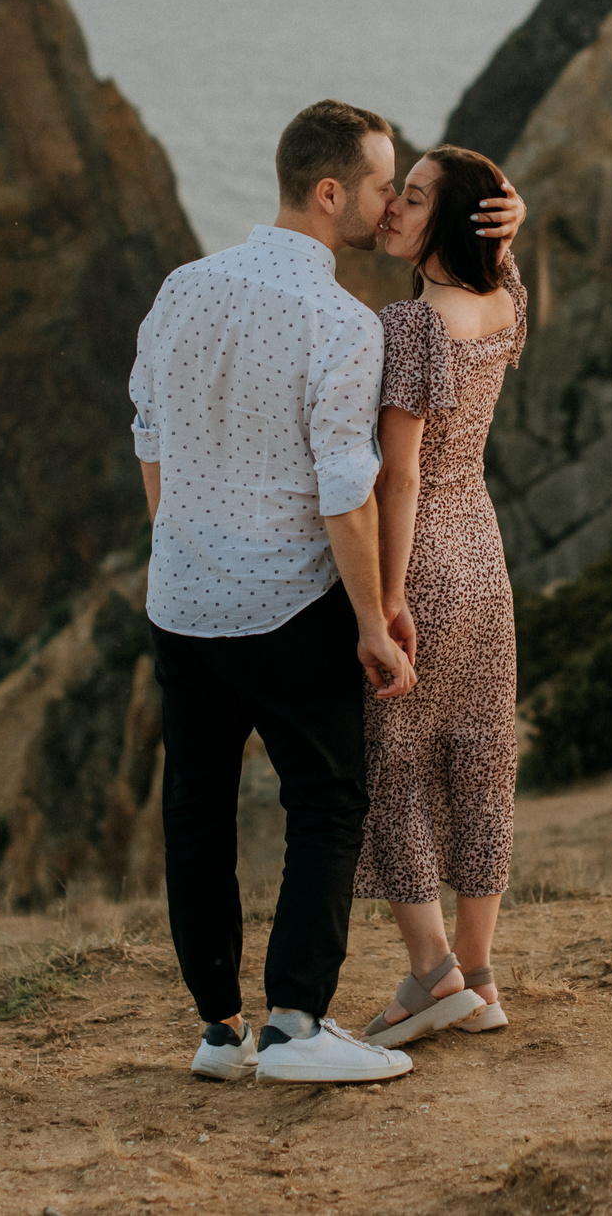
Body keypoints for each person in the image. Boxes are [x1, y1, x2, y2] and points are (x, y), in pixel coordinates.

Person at [130, 102, 522, 1085]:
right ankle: (299, 1018)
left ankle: (220, 1029)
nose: (393, 201)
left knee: (196, 810)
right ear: (331, 191)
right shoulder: (342, 321)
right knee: (330, 798)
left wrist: (180, 541)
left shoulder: (183, 287)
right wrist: (372, 619)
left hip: (180, 597)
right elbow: (352, 493)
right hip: (285, 602)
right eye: (386, 183)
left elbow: (148, 431)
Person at [352, 145, 530, 1048]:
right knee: (479, 750)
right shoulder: (503, 306)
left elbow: (398, 472)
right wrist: (513, 218)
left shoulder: (413, 327)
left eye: (413, 198)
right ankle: (482, 971)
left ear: (447, 220)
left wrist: (384, 595)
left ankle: (431, 977)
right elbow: (507, 264)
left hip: (422, 558)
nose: (392, 208)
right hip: (485, 554)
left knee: (396, 758)